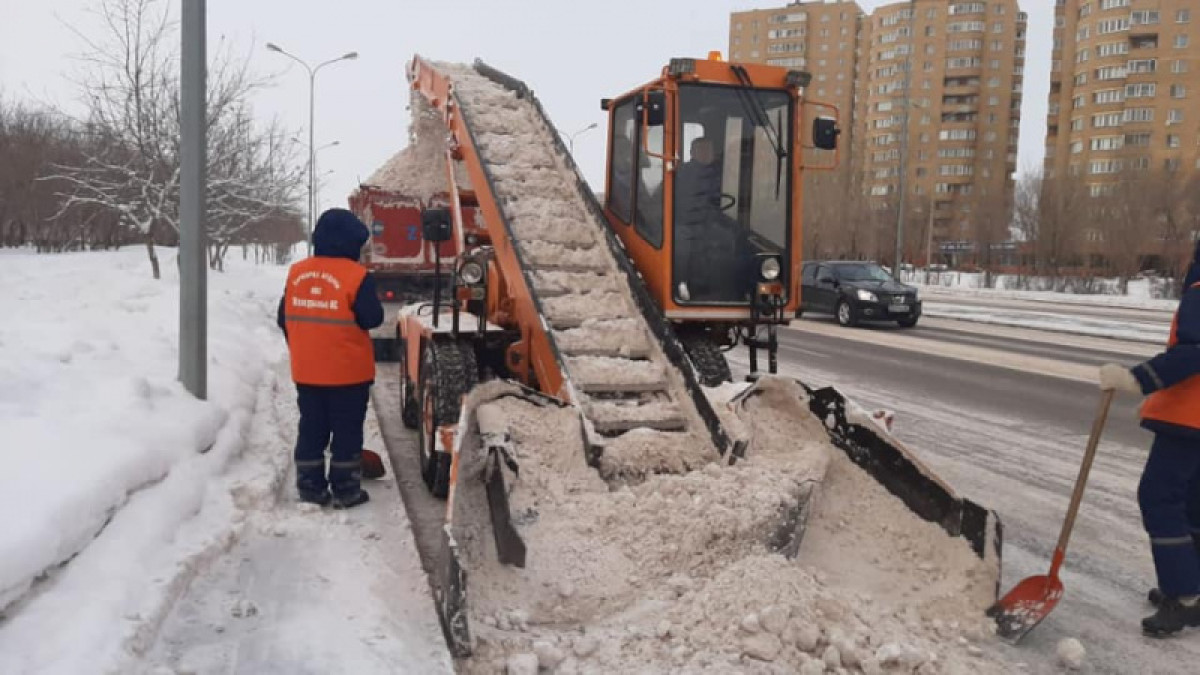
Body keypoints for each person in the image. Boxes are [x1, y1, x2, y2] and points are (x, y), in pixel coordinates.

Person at [1099, 240, 1200, 637]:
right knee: (1192, 502)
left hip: (1191, 417)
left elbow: (1192, 353)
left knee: (1159, 497)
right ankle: (1192, 585)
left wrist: (1136, 379)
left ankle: (1182, 594)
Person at [277, 208, 384, 509]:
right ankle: (346, 489)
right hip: (348, 374)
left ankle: (310, 487)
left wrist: (305, 345)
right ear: (351, 243)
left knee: (312, 428)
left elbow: (283, 317)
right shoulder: (356, 276)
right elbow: (372, 318)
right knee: (346, 432)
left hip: (307, 372)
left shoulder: (297, 273)